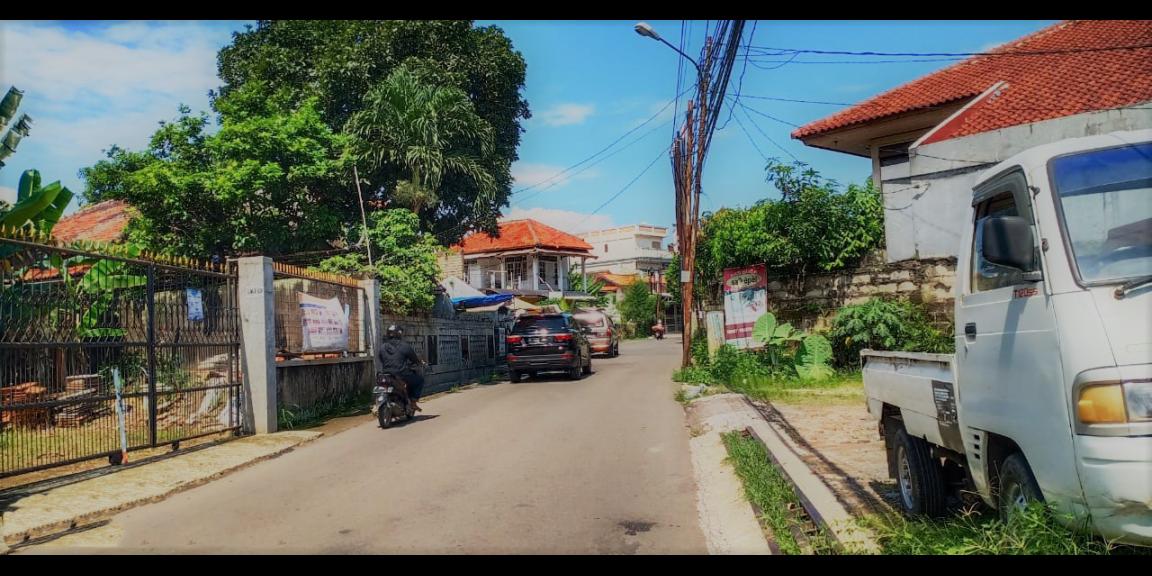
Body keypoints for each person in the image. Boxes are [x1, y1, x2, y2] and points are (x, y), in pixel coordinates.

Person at [378, 325, 427, 412]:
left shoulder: (382, 347)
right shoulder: (404, 346)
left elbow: (381, 359)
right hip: (401, 374)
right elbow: (414, 359)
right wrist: (420, 363)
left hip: (386, 374)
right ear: (399, 334)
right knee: (419, 380)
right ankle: (413, 402)